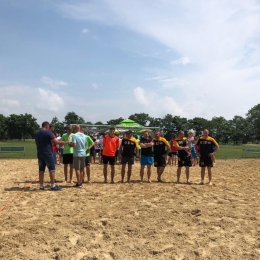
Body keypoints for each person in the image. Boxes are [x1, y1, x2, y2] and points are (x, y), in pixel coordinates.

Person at [35, 121, 66, 190]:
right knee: (52, 169)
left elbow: (36, 143)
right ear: (46, 126)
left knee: (41, 170)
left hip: (39, 152)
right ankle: (53, 185)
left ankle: (41, 186)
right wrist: (63, 143)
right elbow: (55, 142)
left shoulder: (37, 133)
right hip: (47, 152)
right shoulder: (48, 132)